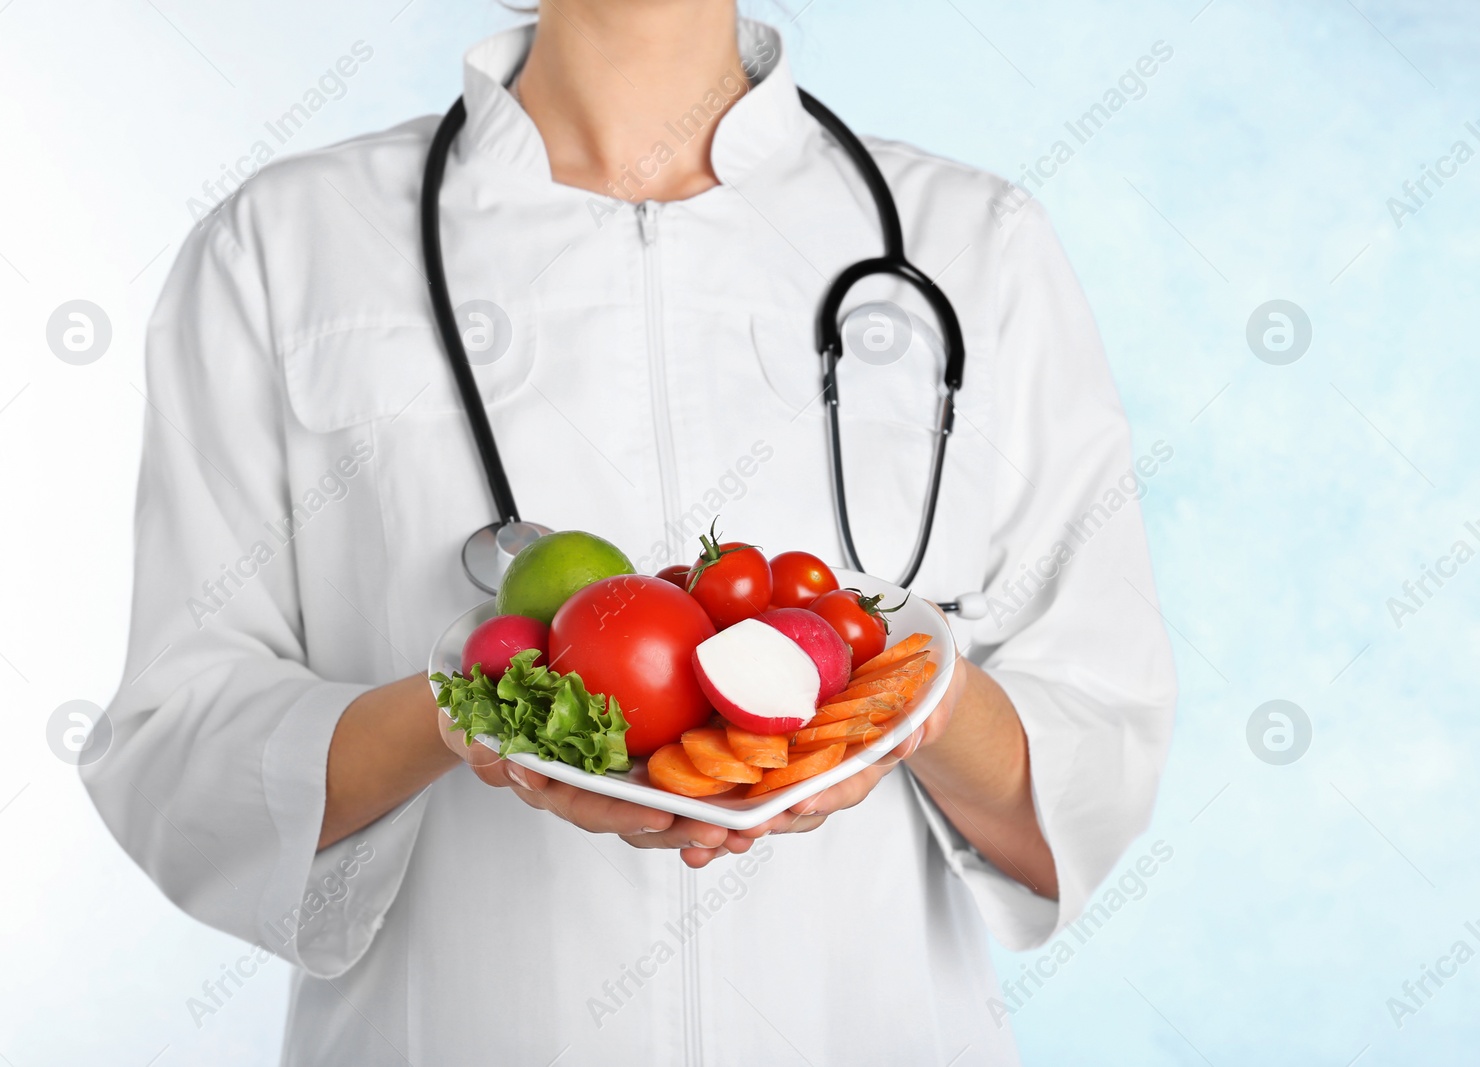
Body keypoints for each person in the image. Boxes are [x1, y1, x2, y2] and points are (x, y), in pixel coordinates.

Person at [84, 2, 1176, 1063]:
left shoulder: (975, 245)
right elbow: (181, 751)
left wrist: (897, 704)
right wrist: (482, 712)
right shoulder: (288, 244)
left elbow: (1084, 788)